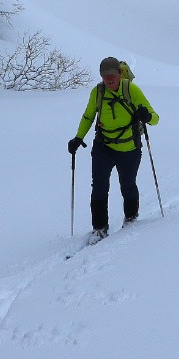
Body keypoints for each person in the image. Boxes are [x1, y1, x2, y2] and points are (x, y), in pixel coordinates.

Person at [67, 57, 158, 242]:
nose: (109, 80)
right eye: (105, 76)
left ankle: (131, 217)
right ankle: (99, 227)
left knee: (127, 184)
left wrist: (146, 116)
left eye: (112, 75)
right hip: (103, 146)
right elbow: (88, 116)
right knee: (99, 186)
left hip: (129, 147)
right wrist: (78, 138)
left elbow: (155, 118)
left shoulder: (131, 89)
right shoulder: (98, 92)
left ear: (119, 74)